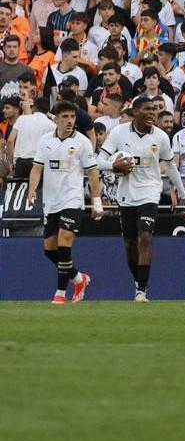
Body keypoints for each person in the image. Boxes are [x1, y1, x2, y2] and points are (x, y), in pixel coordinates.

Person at [97, 94, 185, 301]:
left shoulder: (160, 137)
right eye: (147, 110)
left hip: (150, 191)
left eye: (154, 110)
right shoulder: (119, 133)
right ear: (135, 112)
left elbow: (170, 167)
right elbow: (98, 161)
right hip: (125, 194)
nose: (152, 113)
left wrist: (184, 196)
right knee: (130, 244)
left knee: (145, 236)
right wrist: (114, 166)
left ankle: (141, 290)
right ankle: (138, 281)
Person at [26, 101, 103, 303]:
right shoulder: (45, 141)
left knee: (64, 242)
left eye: (72, 117)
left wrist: (96, 201)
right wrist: (32, 188)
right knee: (50, 250)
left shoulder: (83, 142)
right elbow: (37, 168)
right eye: (65, 117)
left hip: (72, 200)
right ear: (56, 119)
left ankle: (60, 294)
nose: (70, 121)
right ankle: (78, 278)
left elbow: (92, 172)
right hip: (51, 202)